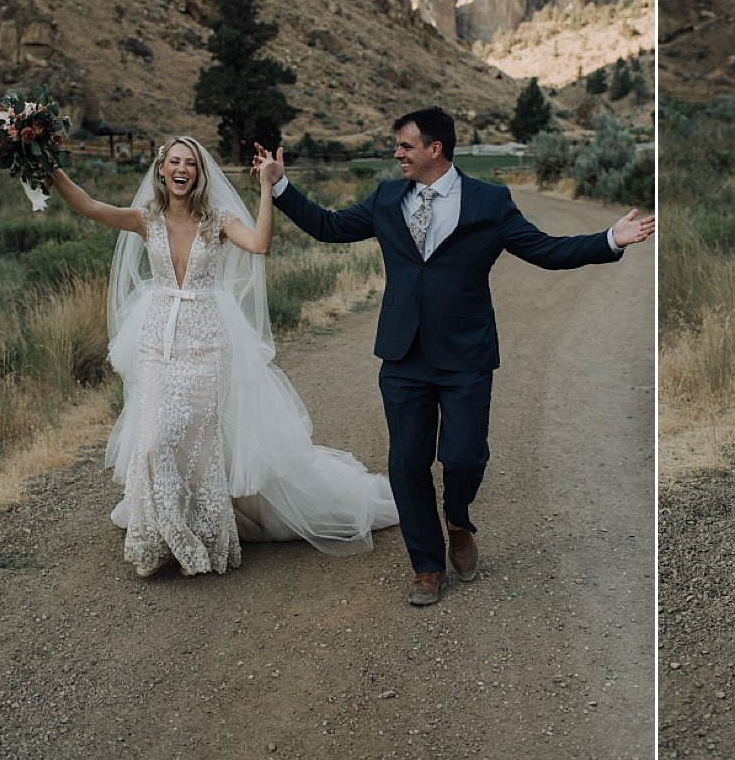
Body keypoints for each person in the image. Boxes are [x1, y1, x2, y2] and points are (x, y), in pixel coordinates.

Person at [254, 106, 655, 607]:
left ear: (434, 149)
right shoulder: (386, 197)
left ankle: (459, 520)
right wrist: (281, 186)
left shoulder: (490, 201)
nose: (396, 153)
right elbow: (330, 226)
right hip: (403, 354)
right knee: (407, 462)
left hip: (466, 352)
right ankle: (426, 565)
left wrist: (608, 240)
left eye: (405, 145)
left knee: (464, 456)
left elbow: (544, 249)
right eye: (397, 146)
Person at [49, 137, 396, 578]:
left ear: (199, 173)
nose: (181, 169)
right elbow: (92, 206)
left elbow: (260, 243)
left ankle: (206, 533)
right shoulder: (146, 219)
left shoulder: (218, 221)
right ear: (160, 170)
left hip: (207, 341)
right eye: (173, 161)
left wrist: (268, 188)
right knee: (155, 438)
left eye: (190, 163)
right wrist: (53, 172)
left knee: (198, 441)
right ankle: (161, 533)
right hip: (158, 339)